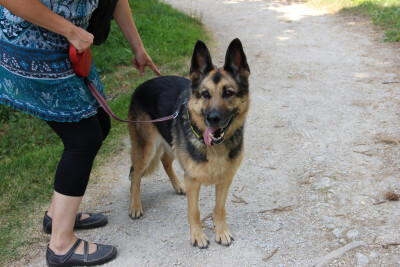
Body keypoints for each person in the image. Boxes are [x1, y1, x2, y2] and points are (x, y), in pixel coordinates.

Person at [0, 0, 160, 266]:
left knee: (99, 121)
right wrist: (71, 31)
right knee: (83, 139)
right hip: (31, 45)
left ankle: (56, 216)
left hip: (69, 46)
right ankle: (61, 244)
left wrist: (138, 47)